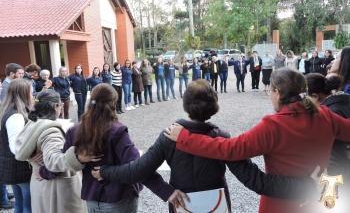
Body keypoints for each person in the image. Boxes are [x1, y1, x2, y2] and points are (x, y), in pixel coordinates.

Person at [92, 80, 316, 213]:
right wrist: (305, 186)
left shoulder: (170, 135)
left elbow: (138, 170)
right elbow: (254, 180)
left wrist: (104, 171)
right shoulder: (222, 139)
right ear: (214, 106)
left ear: (186, 105)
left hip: (181, 202)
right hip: (216, 203)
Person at [165, 68, 350, 213]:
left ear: (277, 92)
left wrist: (185, 138)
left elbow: (231, 149)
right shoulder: (325, 115)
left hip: (279, 204)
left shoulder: (274, 125)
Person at [65, 84, 182, 212]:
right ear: (113, 103)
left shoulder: (74, 130)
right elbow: (138, 167)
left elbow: (63, 161)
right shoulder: (117, 131)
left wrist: (45, 171)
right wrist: (166, 191)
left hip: (91, 198)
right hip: (118, 198)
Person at [14, 90, 88, 213]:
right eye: (61, 104)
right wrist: (78, 156)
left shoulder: (33, 123)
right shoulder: (50, 131)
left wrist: (31, 159)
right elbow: (53, 160)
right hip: (56, 189)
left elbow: (23, 148)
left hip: (40, 185)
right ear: (55, 106)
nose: (62, 108)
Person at [306, 73, 350, 210]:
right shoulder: (344, 100)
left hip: (340, 174)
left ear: (314, 96)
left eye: (303, 97)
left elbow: (335, 155)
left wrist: (330, 190)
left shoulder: (330, 114)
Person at [0, 79, 33, 213]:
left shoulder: (10, 111)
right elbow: (16, 147)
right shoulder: (16, 116)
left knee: (20, 205)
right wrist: (34, 156)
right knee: (27, 207)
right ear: (23, 94)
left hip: (15, 167)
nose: (32, 95)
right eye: (30, 93)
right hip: (19, 167)